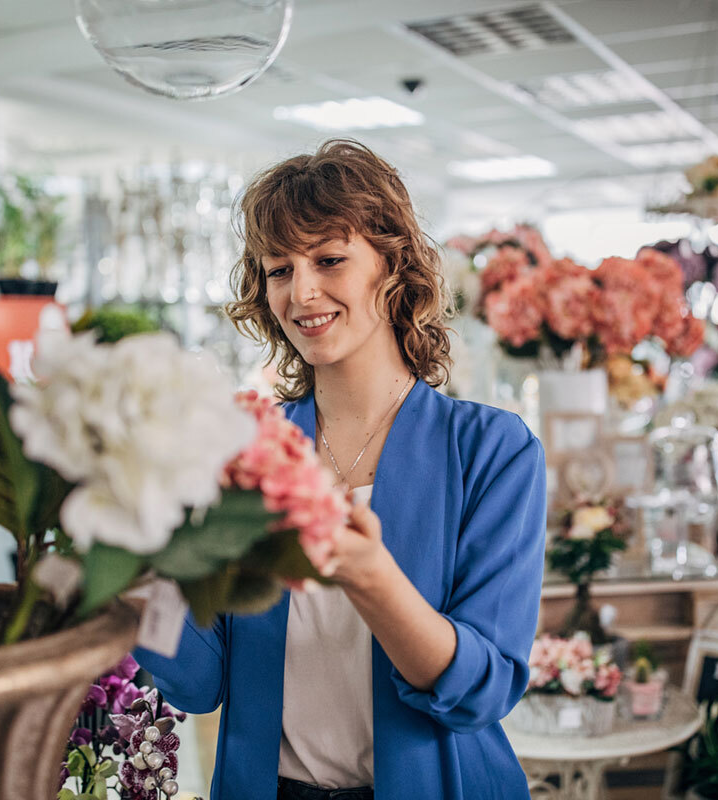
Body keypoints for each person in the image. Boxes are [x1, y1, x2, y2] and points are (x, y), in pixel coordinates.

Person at [134, 139, 546, 800]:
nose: (302, 292)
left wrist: (372, 578)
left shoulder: (492, 451)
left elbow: (484, 690)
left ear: (393, 266)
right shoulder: (241, 450)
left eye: (329, 260)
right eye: (277, 270)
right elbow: (195, 681)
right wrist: (135, 572)